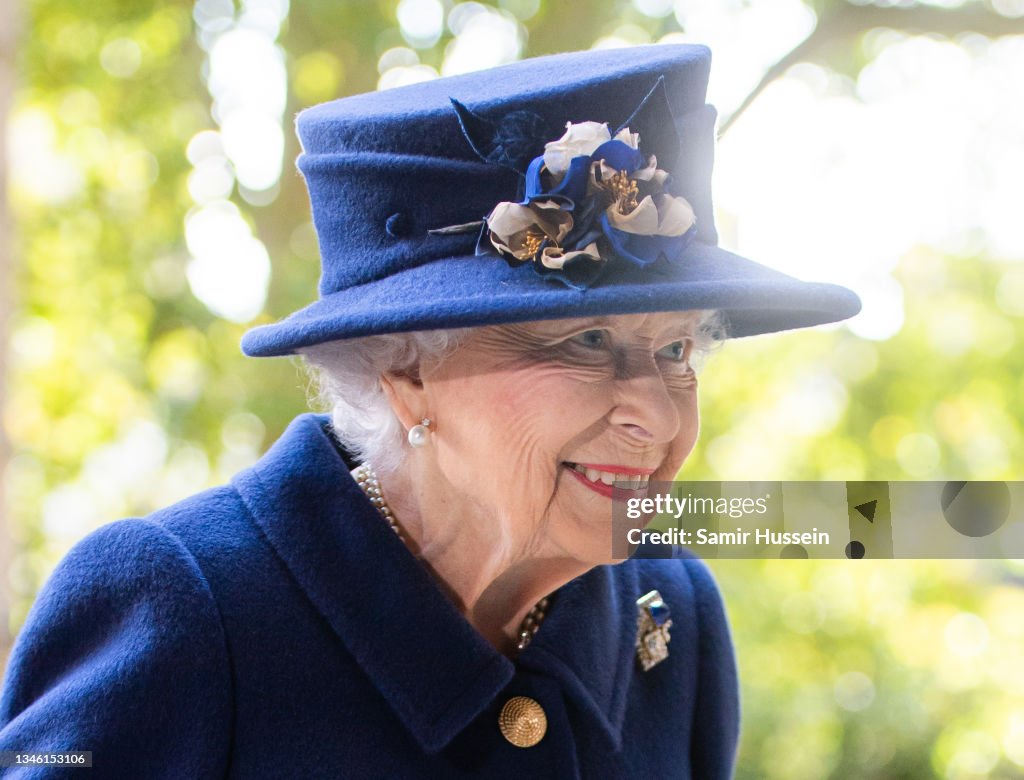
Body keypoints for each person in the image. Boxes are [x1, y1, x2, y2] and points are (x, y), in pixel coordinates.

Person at [0, 44, 859, 778]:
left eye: (676, 351)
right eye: (587, 341)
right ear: (405, 368)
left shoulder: (672, 611)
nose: (658, 418)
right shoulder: (183, 606)